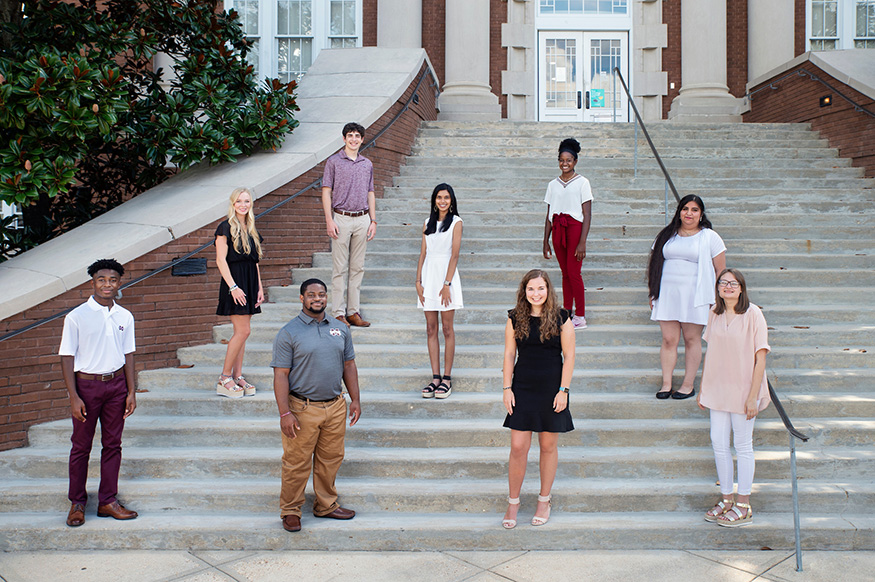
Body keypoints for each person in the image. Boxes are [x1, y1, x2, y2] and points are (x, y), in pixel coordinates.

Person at [271, 278, 362, 533]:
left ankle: (326, 505)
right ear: (302, 298)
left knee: (331, 459)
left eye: (321, 294)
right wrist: (284, 413)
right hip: (302, 408)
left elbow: (349, 366)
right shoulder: (289, 332)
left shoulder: (341, 329)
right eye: (311, 294)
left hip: (335, 406)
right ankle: (290, 510)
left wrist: (355, 399)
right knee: (296, 461)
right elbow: (280, 375)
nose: (317, 298)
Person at [60, 258, 138, 527]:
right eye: (101, 280)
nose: (107, 284)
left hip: (116, 386)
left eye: (112, 280)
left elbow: (129, 355)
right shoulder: (77, 316)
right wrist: (73, 396)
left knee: (113, 444)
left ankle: (107, 501)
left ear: (119, 283)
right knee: (81, 446)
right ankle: (77, 503)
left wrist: (131, 391)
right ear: (92, 282)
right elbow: (67, 357)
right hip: (87, 386)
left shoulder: (124, 316)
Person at [501, 270, 575, 529]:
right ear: (524, 291)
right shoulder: (514, 317)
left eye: (540, 288)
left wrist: (563, 390)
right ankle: (513, 503)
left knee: (547, 446)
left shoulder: (561, 317)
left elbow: (570, 356)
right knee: (518, 447)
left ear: (548, 290)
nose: (536, 293)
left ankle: (544, 500)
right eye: (531, 289)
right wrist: (506, 388)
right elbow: (509, 355)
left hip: (551, 389)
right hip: (522, 387)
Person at [698, 268, 770, 527]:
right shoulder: (714, 314)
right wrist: (704, 388)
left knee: (743, 446)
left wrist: (753, 396)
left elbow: (760, 358)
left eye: (733, 283)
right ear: (718, 288)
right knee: (718, 443)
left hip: (743, 390)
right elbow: (711, 353)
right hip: (717, 389)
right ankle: (726, 498)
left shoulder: (754, 314)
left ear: (741, 288)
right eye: (723, 283)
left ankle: (744, 504)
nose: (727, 287)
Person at [647, 194, 726, 400]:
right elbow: (654, 266)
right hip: (667, 294)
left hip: (696, 295)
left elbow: (720, 270)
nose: (689, 213)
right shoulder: (666, 235)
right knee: (668, 339)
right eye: (685, 209)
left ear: (701, 214)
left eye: (694, 210)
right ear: (679, 212)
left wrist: (717, 299)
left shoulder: (710, 237)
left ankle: (688, 385)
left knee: (692, 339)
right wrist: (653, 293)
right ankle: (666, 384)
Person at [322, 121, 376, 327]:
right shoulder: (333, 162)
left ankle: (353, 312)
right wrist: (329, 219)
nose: (354, 139)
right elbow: (326, 191)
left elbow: (371, 192)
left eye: (357, 136)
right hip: (341, 218)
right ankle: (337, 313)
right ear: (344, 139)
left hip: (363, 219)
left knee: (357, 268)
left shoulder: (367, 164)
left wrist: (373, 220)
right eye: (350, 135)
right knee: (339, 269)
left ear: (362, 139)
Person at [215, 187, 264, 398]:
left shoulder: (251, 227)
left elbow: (255, 262)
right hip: (234, 283)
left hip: (251, 282)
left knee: (243, 333)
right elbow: (220, 260)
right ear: (233, 204)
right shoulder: (225, 227)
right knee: (243, 331)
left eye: (246, 201)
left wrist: (260, 287)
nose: (243, 205)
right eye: (239, 201)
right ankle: (224, 377)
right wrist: (233, 287)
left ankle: (237, 375)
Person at [415, 183, 464, 399]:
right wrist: (418, 281)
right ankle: (435, 377)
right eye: (438, 197)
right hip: (429, 277)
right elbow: (423, 253)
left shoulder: (456, 222)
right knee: (430, 328)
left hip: (446, 277)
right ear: (434, 200)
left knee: (447, 329)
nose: (442, 201)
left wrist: (447, 284)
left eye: (446, 197)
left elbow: (454, 255)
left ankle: (446, 378)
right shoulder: (427, 223)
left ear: (451, 200)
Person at [542, 138, 592, 330]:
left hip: (574, 228)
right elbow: (548, 215)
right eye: (562, 160)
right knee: (565, 273)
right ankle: (567, 311)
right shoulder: (552, 184)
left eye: (569, 160)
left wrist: (582, 242)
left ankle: (580, 315)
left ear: (575, 161)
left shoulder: (582, 182)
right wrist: (545, 241)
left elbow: (587, 214)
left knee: (574, 273)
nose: (565, 163)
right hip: (558, 228)